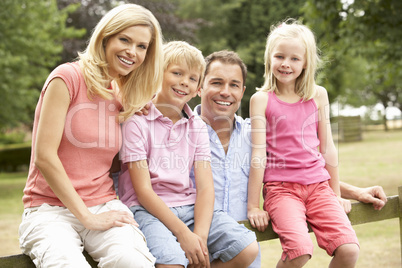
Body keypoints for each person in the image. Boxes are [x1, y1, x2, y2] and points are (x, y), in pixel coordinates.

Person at [194, 49, 387, 268]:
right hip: (193, 255)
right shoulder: (180, 134)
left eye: (234, 85)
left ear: (242, 91)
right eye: (217, 83)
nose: (225, 92)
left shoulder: (255, 136)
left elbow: (297, 173)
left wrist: (356, 192)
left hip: (243, 261)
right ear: (200, 86)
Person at [19, 4, 164, 267]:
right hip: (48, 209)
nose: (132, 51)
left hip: (104, 204)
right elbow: (44, 156)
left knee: (135, 262)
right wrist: (86, 216)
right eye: (125, 39)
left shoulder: (120, 97)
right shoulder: (66, 78)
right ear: (106, 37)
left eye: (142, 46)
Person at [118, 41, 259, 268]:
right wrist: (184, 234)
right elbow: (143, 191)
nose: (185, 82)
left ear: (197, 88)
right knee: (171, 263)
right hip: (147, 209)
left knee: (246, 248)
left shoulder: (197, 127)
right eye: (177, 73)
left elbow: (205, 187)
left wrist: (200, 238)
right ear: (157, 74)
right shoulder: (137, 123)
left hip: (189, 206)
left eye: (193, 78)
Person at [247, 19, 360, 267]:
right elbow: (258, 154)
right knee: (299, 252)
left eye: (295, 59)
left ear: (306, 62)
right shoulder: (261, 100)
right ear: (269, 58)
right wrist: (254, 205)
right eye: (279, 56)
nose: (286, 64)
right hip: (282, 189)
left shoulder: (318, 95)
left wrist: (336, 193)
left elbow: (328, 147)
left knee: (349, 250)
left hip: (320, 188)